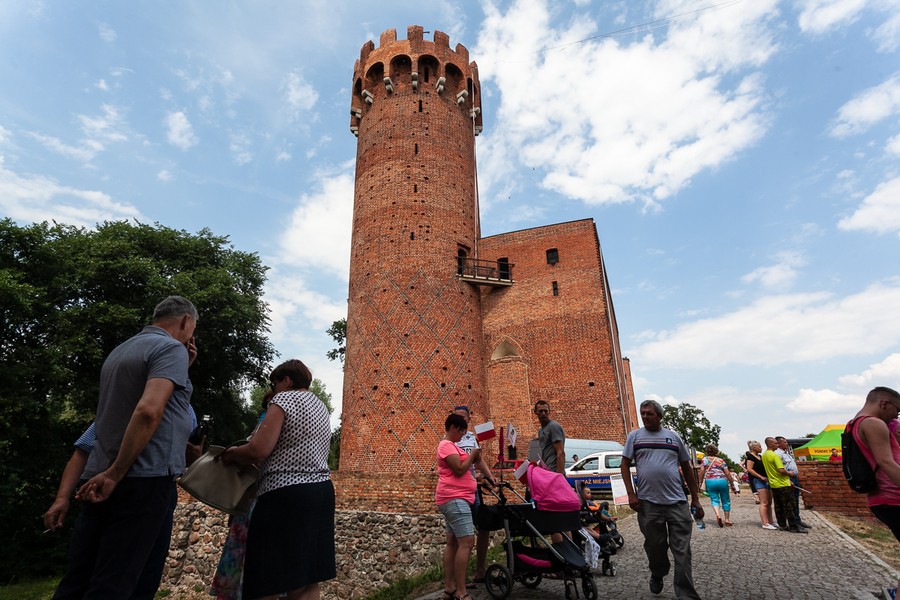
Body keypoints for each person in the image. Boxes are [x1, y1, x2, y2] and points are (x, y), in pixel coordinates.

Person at [52, 296, 199, 600]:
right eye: (193, 329)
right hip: (142, 479)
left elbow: (128, 409)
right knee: (120, 583)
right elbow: (148, 411)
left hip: (97, 479)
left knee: (79, 579)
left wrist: (182, 370)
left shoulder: (121, 351)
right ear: (186, 321)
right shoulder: (170, 348)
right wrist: (115, 473)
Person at [46, 404, 202, 599]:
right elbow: (82, 451)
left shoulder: (185, 410)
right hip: (106, 490)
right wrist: (61, 498)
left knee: (144, 577)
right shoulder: (126, 406)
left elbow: (189, 460)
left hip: (160, 492)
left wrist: (194, 455)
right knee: (85, 576)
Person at [221, 359, 335, 600]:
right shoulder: (320, 405)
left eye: (275, 383)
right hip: (322, 492)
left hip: (284, 494)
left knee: (267, 578)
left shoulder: (283, 400)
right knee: (306, 578)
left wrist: (233, 454)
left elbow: (259, 449)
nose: (273, 390)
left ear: (287, 380)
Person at [621, 400, 703, 599]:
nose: (645, 417)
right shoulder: (634, 437)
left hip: (677, 502)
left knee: (682, 551)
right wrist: (631, 494)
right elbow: (624, 465)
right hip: (648, 504)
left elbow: (687, 468)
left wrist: (695, 498)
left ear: (659, 416)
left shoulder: (673, 437)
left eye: (649, 413)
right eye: (642, 413)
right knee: (655, 547)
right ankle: (658, 572)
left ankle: (686, 595)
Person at [211, 391, 272, 600]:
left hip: (258, 499)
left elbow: (255, 454)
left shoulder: (269, 426)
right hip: (251, 498)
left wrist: (236, 455)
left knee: (252, 555)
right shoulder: (265, 425)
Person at [850, 386, 900, 594]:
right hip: (892, 496)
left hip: (883, 498)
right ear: (884, 403)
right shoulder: (873, 423)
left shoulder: (855, 423)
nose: (896, 416)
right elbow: (885, 462)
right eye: (897, 411)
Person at [434, 413, 481, 600]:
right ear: (453, 428)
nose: (463, 435)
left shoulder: (451, 445)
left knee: (453, 543)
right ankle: (461, 592)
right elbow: (460, 469)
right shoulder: (446, 445)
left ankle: (450, 588)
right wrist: (472, 455)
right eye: (461, 431)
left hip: (454, 498)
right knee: (467, 542)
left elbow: (462, 469)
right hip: (454, 498)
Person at [452, 406, 495, 587]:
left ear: (469, 419)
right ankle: (457, 581)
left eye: (463, 417)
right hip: (458, 491)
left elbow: (478, 460)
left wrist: (490, 477)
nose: (461, 420)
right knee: (461, 537)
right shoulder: (451, 439)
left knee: (484, 527)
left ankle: (480, 570)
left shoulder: (471, 437)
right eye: (457, 417)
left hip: (473, 490)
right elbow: (457, 466)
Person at [761, 437, 807, 533]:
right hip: (783, 483)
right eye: (775, 443)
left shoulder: (764, 455)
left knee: (778, 506)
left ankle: (782, 524)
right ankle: (793, 526)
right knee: (789, 506)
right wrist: (790, 474)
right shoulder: (775, 456)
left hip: (774, 484)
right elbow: (781, 470)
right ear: (770, 444)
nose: (777, 445)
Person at [775, 436, 812, 529]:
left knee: (795, 500)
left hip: (794, 478)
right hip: (788, 479)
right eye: (784, 442)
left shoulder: (787, 453)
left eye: (787, 442)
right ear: (778, 444)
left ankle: (797, 520)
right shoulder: (778, 454)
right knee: (790, 502)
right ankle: (793, 522)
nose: (787, 444)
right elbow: (780, 469)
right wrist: (788, 480)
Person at [744, 440, 776, 530]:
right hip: (758, 480)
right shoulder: (750, 457)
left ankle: (770, 521)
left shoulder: (761, 457)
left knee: (769, 502)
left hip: (766, 480)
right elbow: (749, 469)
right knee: (764, 502)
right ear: (755, 448)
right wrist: (760, 477)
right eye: (760, 446)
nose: (761, 448)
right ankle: (765, 523)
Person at [699, 444, 732, 527]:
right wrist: (731, 482)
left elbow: (702, 471)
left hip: (710, 481)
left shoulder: (704, 460)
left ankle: (718, 515)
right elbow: (727, 472)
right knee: (726, 500)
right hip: (722, 481)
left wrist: (700, 482)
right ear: (716, 451)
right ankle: (727, 520)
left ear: (707, 451)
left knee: (714, 499)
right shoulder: (721, 460)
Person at [534, 400, 565, 474]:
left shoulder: (553, 427)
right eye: (540, 411)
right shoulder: (540, 430)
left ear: (549, 412)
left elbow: (560, 453)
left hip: (555, 472)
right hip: (547, 471)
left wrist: (558, 476)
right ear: (535, 412)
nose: (543, 413)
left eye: (546, 411)